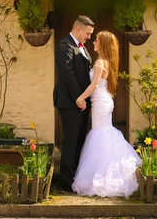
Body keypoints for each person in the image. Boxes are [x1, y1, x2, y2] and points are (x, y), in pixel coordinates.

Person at [72, 31, 142, 198]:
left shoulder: (99, 63)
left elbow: (94, 85)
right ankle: (109, 171)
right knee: (105, 132)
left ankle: (103, 176)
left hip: (101, 103)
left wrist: (80, 98)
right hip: (104, 101)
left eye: (96, 40)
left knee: (100, 134)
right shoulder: (108, 62)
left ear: (102, 44)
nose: (93, 42)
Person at [53, 15, 95, 192]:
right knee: (71, 140)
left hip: (81, 102)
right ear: (78, 29)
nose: (89, 37)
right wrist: (79, 98)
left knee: (79, 139)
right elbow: (67, 74)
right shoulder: (65, 45)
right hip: (70, 102)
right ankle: (66, 180)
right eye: (88, 33)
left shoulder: (82, 47)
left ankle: (76, 176)